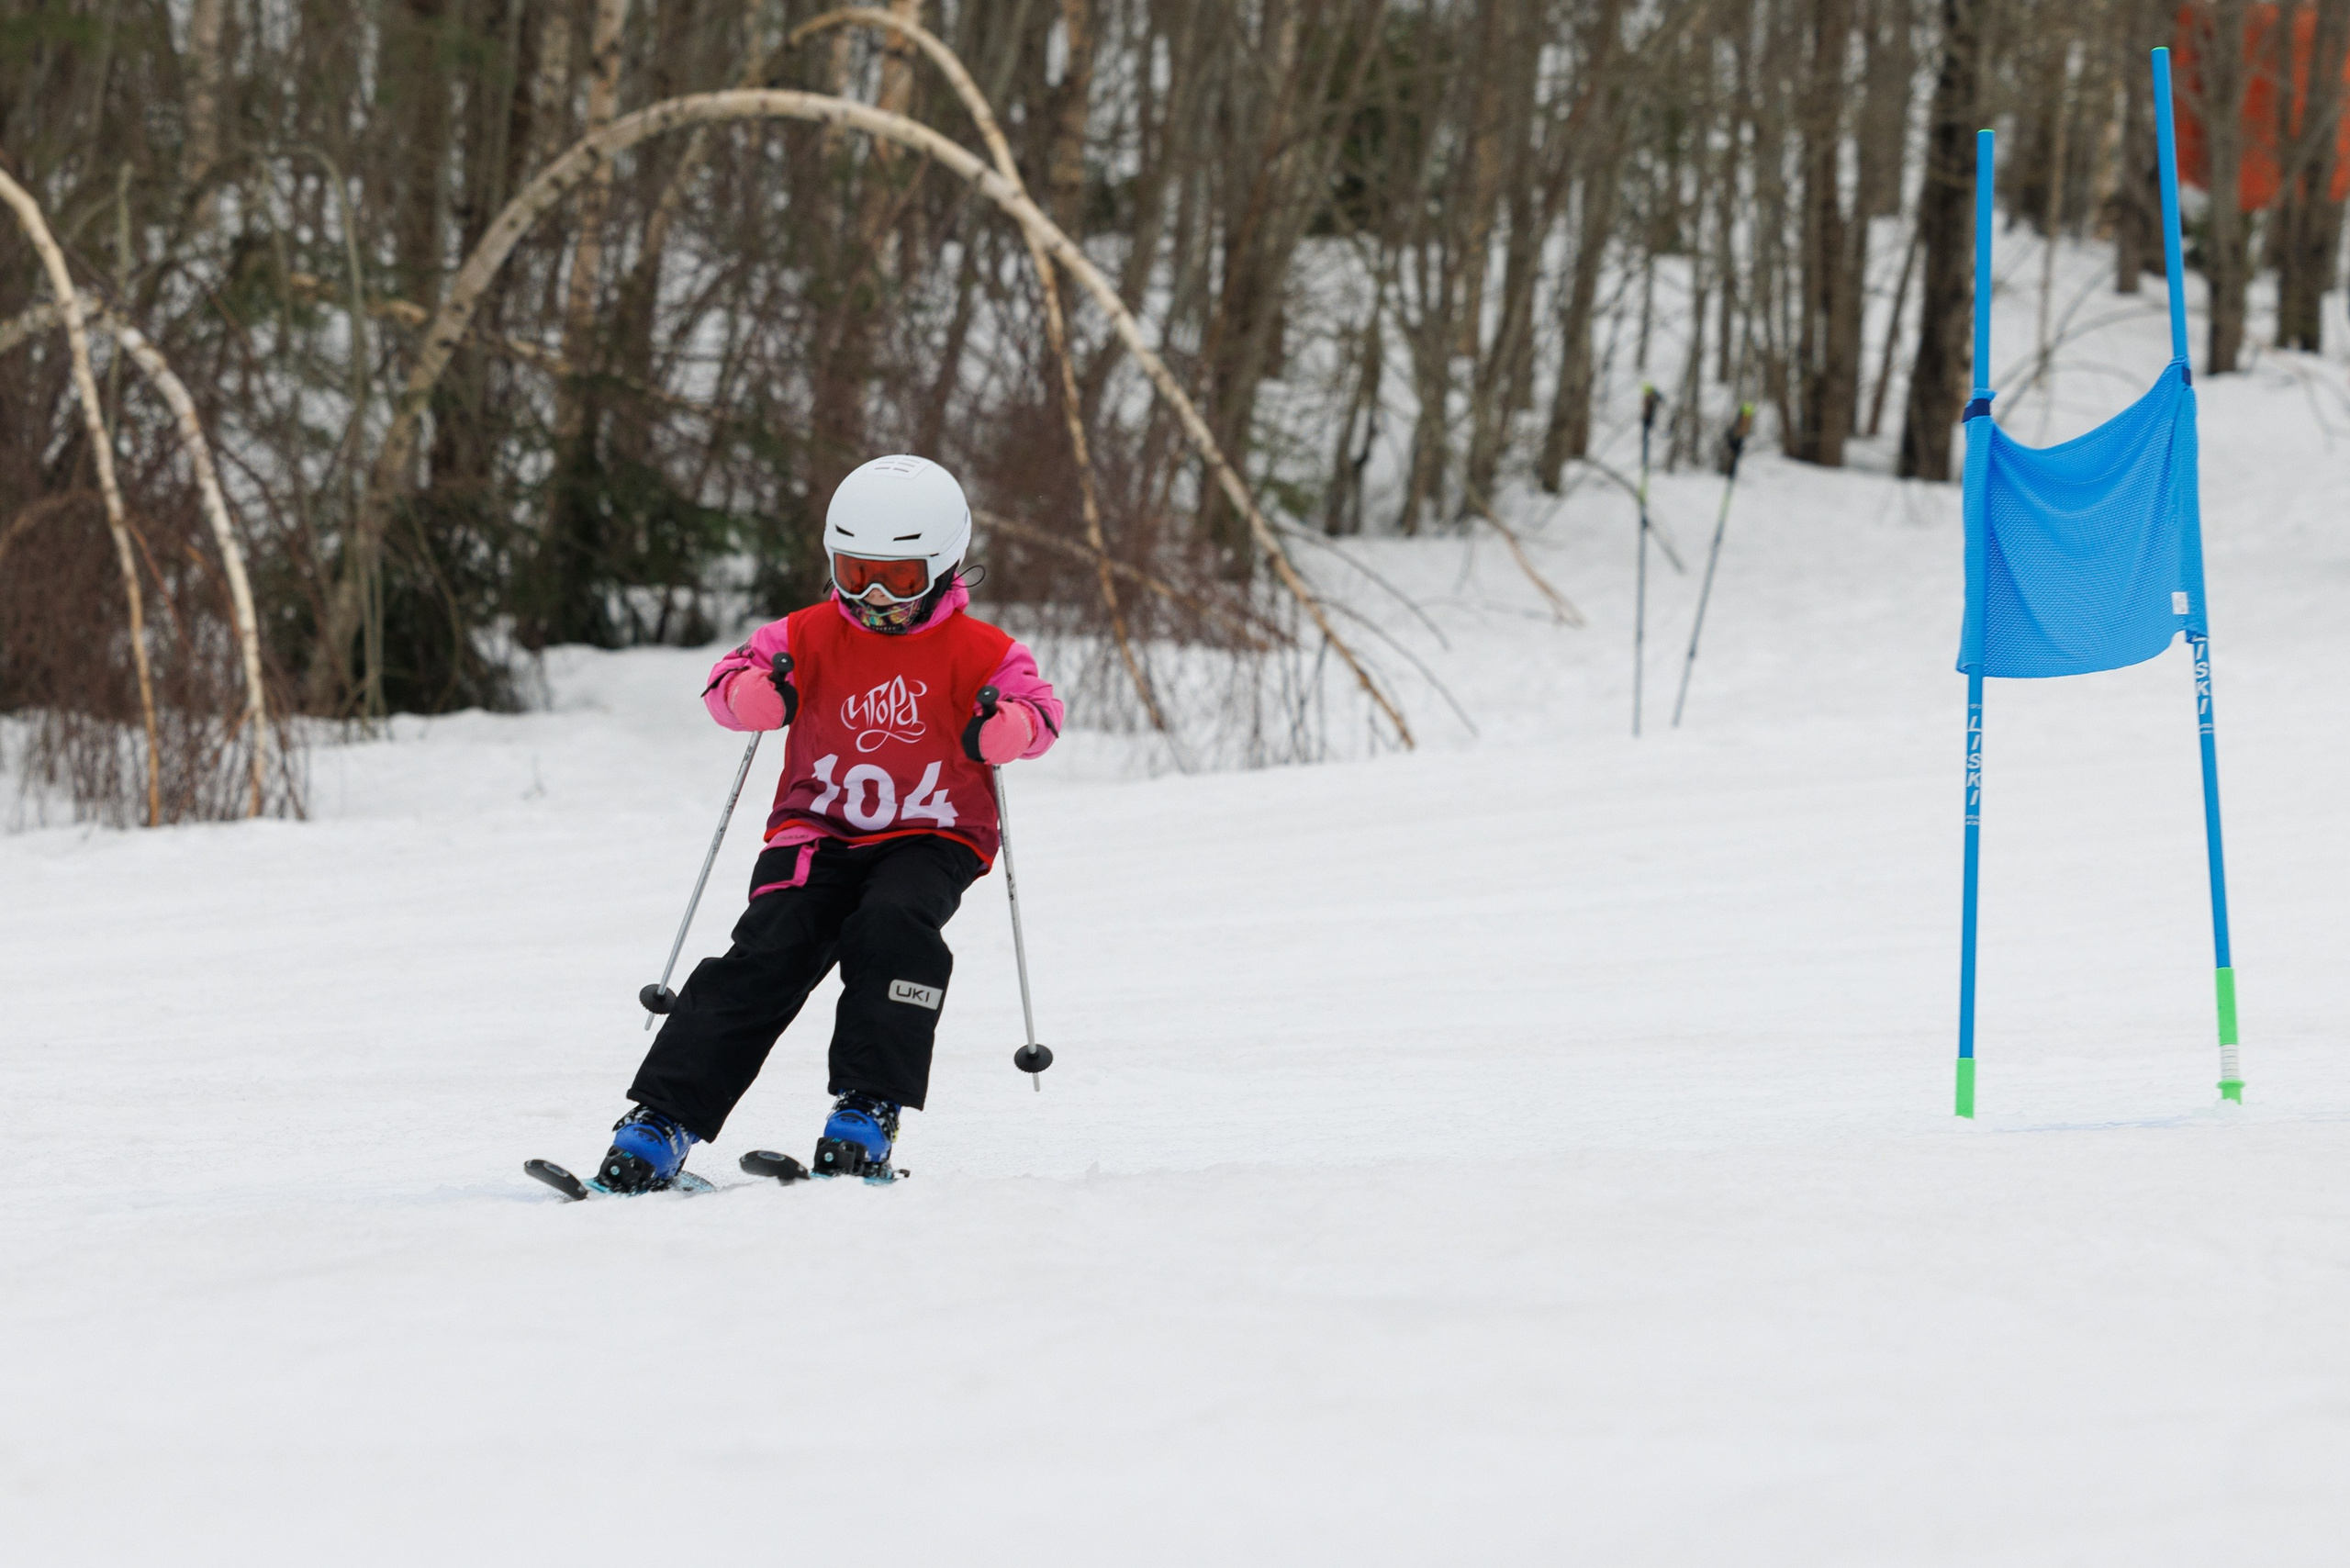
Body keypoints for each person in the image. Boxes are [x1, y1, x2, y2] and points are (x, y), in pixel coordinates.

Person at [595, 455, 1061, 1189]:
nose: (875, 595)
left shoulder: (985, 652)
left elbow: (1041, 714)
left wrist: (1008, 728)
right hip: (816, 829)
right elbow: (727, 682)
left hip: (934, 834)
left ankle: (868, 1109)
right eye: (854, 571)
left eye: (900, 578)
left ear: (945, 566)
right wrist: (751, 695)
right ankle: (662, 1120)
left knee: (894, 924)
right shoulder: (804, 635)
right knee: (767, 949)